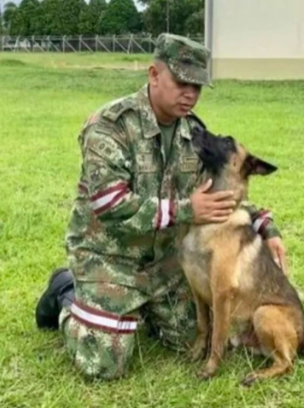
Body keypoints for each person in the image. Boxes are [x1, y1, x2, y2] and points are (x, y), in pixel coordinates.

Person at [34, 33, 288, 381]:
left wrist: (265, 227)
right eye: (182, 82)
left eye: (198, 87)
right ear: (154, 74)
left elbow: (220, 196)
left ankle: (139, 309)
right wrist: (186, 210)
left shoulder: (194, 135)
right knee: (104, 364)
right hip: (110, 258)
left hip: (165, 264)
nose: (191, 94)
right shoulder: (111, 126)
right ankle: (65, 291)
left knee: (194, 337)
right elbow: (111, 204)